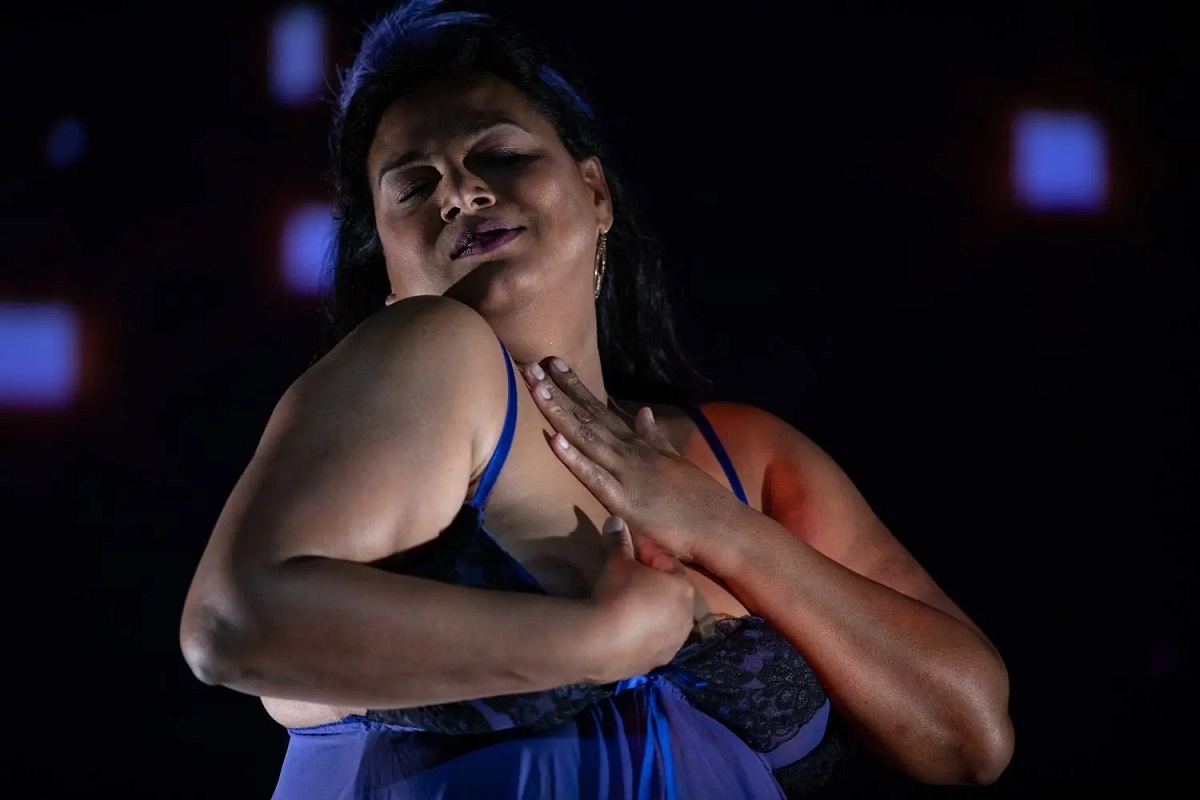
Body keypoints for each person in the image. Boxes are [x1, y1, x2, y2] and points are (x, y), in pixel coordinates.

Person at [179, 1, 1014, 797]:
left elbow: (970, 735)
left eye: (500, 154)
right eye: (413, 186)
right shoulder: (433, 359)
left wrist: (717, 526)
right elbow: (231, 625)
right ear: (390, 273)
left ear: (596, 194)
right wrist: (595, 642)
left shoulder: (744, 456)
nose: (460, 193)